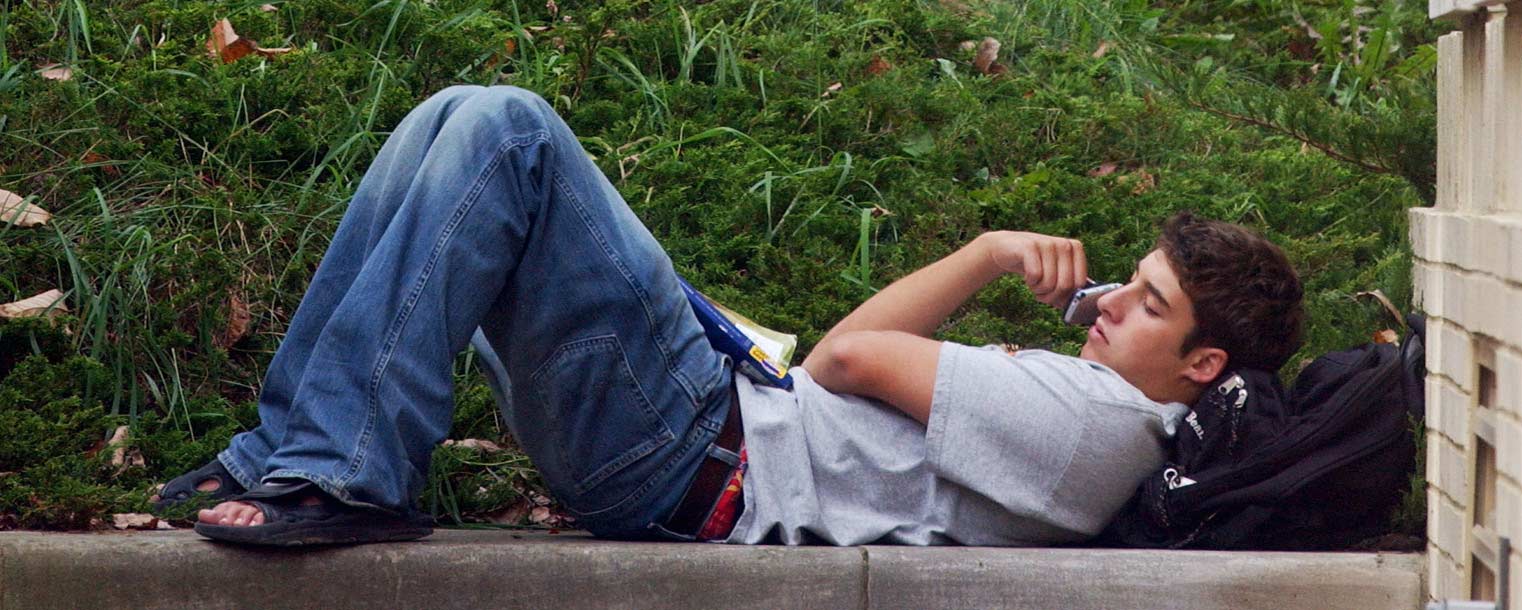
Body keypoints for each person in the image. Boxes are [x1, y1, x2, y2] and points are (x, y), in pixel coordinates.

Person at [151, 85, 1305, 546]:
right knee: (467, 113)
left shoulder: (1095, 421)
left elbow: (851, 352)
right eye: (1128, 283)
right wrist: (991, 255)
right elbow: (850, 354)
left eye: (1144, 304)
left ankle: (340, 472)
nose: (1109, 308)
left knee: (509, 129)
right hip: (699, 435)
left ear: (1201, 363)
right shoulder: (1088, 402)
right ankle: (297, 454)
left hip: (695, 448)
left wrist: (990, 253)